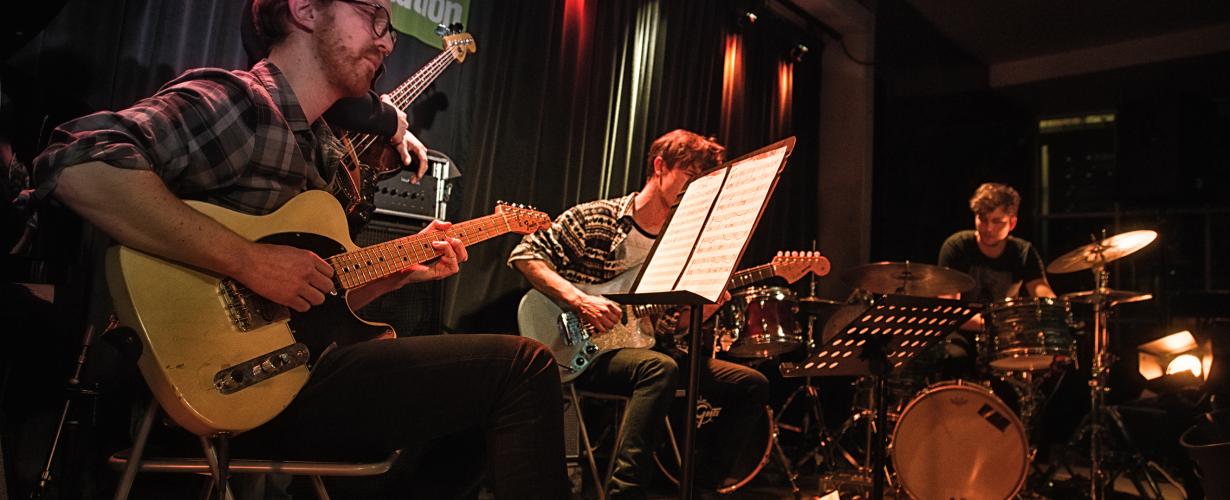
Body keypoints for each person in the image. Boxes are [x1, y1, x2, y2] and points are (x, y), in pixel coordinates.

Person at [30, 0, 568, 497]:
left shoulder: (328, 151)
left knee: (476, 404)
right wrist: (249, 261)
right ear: (306, 9)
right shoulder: (240, 101)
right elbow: (77, 164)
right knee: (523, 367)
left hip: (284, 374)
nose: (386, 42)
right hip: (196, 392)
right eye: (374, 16)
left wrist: (395, 272)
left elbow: (311, 300)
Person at [509, 129, 769, 498]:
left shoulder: (679, 244)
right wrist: (580, 301)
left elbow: (667, 326)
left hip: (637, 346)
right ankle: (625, 492)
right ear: (660, 166)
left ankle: (700, 487)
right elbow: (525, 254)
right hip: (579, 349)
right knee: (660, 367)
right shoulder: (598, 218)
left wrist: (705, 309)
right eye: (690, 177)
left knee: (750, 384)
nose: (694, 189)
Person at [936, 182, 1055, 375]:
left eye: (997, 221)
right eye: (982, 219)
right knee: (955, 360)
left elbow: (1040, 289)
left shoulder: (1023, 252)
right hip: (963, 335)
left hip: (1005, 338)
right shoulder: (957, 247)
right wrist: (996, 325)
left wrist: (1053, 307)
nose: (988, 227)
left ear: (1012, 223)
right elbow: (949, 310)